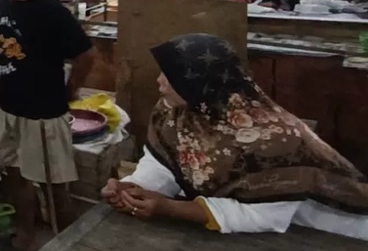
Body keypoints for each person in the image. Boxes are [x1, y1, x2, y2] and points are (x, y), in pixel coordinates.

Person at [103, 34, 367, 239]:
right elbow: (163, 162)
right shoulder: (178, 111)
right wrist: (136, 187)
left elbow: (264, 216)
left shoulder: (276, 142)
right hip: (264, 238)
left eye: (171, 75)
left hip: (332, 235)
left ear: (200, 84)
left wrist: (170, 208)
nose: (159, 81)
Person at [0, 0, 94, 251]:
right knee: (15, 177)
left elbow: (85, 56)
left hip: (43, 112)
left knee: (54, 185)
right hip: (11, 106)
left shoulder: (51, 11)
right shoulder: (9, 3)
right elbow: (2, 31)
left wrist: (70, 90)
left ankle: (69, 249)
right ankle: (24, 237)